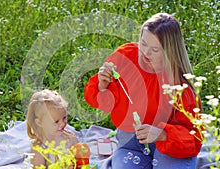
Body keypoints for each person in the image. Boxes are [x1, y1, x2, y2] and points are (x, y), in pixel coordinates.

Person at [84, 13, 202, 169]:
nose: (146, 53)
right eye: (143, 43)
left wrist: (162, 134)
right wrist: (101, 86)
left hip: (170, 147)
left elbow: (194, 139)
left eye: (154, 49)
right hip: (130, 144)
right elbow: (103, 104)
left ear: (170, 52)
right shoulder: (125, 57)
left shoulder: (180, 85)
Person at [26, 89, 78, 168]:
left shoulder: (68, 138)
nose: (62, 124)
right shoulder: (39, 148)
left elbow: (79, 158)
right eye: (56, 122)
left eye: (64, 118)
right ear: (40, 123)